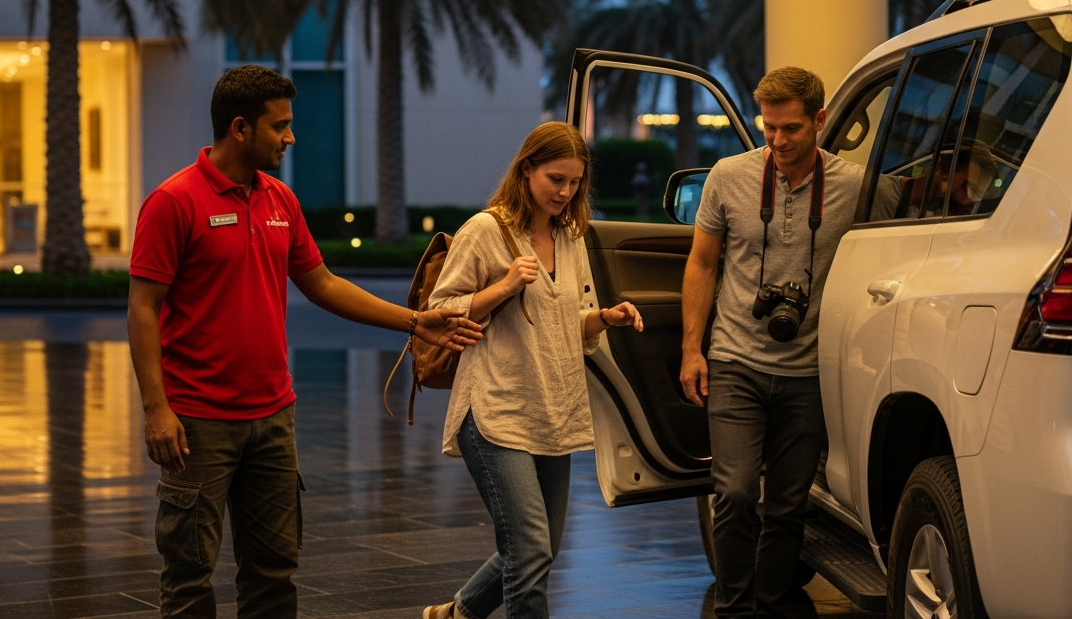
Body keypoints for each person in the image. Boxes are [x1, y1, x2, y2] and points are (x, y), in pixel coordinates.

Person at [127, 65, 483, 619]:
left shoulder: (280, 201)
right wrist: (156, 409)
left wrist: (415, 321)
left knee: (274, 573)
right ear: (240, 128)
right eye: (280, 126)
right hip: (198, 422)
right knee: (189, 575)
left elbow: (323, 283)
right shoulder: (174, 201)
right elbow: (143, 308)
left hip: (273, 417)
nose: (291, 138)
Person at [421, 122, 644, 619]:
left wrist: (604, 318)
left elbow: (565, 322)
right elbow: (439, 312)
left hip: (551, 410)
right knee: (530, 551)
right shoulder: (485, 230)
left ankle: (457, 614)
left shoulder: (570, 236)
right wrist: (502, 287)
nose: (566, 192)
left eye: (575, 183)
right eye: (556, 179)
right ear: (526, 170)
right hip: (494, 410)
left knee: (539, 548)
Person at [678, 67, 865, 618]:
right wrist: (692, 349)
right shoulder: (728, 176)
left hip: (809, 369)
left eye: (791, 128)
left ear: (820, 120)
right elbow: (702, 262)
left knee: (787, 505)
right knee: (735, 492)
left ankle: (773, 600)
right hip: (736, 359)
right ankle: (734, 609)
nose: (778, 141)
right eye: (769, 128)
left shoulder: (857, 186)